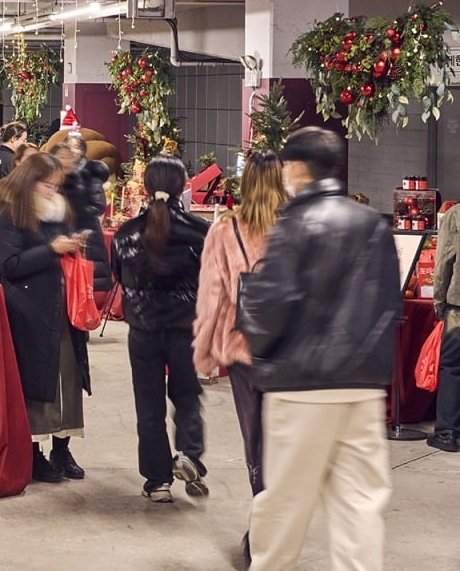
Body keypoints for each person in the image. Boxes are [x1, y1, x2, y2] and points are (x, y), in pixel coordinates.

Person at [238, 127, 400, 570]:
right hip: (363, 388)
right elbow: (390, 302)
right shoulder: (373, 223)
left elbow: (273, 304)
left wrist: (256, 340)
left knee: (285, 504)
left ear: (295, 168)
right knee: (360, 506)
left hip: (301, 386)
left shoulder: (295, 223)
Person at [111, 155, 210, 503]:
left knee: (148, 403)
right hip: (186, 327)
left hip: (143, 328)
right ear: (185, 186)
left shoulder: (125, 233)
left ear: (145, 187)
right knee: (186, 394)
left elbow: (117, 276)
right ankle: (189, 454)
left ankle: (157, 481)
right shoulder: (202, 232)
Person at [0, 153, 90, 484]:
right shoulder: (7, 214)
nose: (51, 191)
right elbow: (9, 265)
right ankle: (32, 453)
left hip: (64, 309)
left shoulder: (59, 211)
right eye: (47, 184)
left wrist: (72, 246)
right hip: (28, 311)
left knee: (69, 379)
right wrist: (52, 250)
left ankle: (63, 447)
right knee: (34, 383)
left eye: (56, 185)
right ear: (29, 181)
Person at [192, 151, 287, 503]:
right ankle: (283, 512)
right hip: (289, 348)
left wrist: (204, 350)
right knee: (285, 433)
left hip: (241, 344)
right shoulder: (297, 226)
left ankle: (261, 507)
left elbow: (212, 295)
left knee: (254, 433)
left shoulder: (225, 229)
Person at [52, 136, 112, 294]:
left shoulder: (90, 173)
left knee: (88, 285)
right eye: (68, 148)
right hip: (64, 238)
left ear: (83, 150)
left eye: (76, 147)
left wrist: (74, 211)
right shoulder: (56, 175)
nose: (72, 152)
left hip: (86, 233)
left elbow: (98, 205)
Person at [431, 202, 460, 452]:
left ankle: (448, 433)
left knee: (452, 366)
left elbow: (444, 262)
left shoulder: (455, 214)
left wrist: (439, 302)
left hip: (458, 305)